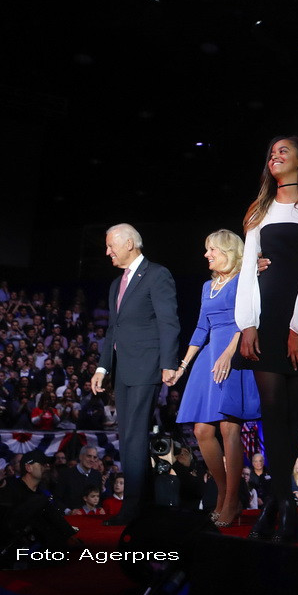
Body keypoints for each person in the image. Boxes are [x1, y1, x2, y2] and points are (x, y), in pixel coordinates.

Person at [236, 136, 298, 543]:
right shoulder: (258, 210)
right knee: (272, 412)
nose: (274, 156)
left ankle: (276, 503)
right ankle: (286, 502)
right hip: (266, 317)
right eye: (270, 152)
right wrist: (248, 323)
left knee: (294, 415)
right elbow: (246, 270)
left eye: (283, 152)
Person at [90, 223, 181, 526]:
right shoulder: (117, 284)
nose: (107, 252)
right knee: (127, 438)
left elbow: (169, 321)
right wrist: (103, 367)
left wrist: (169, 363)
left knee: (136, 436)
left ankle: (134, 508)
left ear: (128, 243)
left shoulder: (157, 274)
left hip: (146, 366)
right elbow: (113, 330)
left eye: (110, 246)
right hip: (123, 371)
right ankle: (139, 505)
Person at [166, 229, 255, 528]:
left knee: (230, 427)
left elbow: (248, 320)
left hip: (235, 353)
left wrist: (230, 353)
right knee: (203, 430)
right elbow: (201, 328)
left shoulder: (244, 279)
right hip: (209, 358)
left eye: (212, 250)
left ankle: (231, 501)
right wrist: (183, 365)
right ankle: (224, 492)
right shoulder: (207, 286)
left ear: (228, 252)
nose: (207, 255)